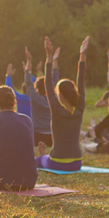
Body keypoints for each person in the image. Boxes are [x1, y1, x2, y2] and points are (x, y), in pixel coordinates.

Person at [36, 36, 89, 171]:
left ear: (60, 95)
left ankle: (43, 155)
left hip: (57, 162)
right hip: (76, 163)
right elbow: (81, 81)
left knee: (39, 160)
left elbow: (48, 84)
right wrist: (82, 55)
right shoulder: (79, 109)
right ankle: (44, 155)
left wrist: (49, 55)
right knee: (44, 158)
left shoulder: (57, 110)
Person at [24, 48, 56, 149]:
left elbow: (28, 82)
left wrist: (29, 61)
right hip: (52, 136)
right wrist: (54, 60)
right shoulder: (54, 99)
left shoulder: (34, 97)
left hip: (37, 136)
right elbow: (55, 79)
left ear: (36, 88)